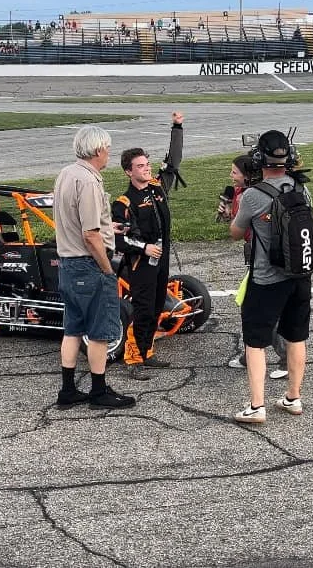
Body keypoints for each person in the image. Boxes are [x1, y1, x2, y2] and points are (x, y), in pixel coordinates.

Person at [229, 130, 313, 423]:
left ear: (258, 159)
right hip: (300, 274)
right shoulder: (301, 188)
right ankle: (293, 397)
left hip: (266, 279)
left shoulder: (253, 195)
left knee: (255, 342)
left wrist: (234, 210)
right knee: (296, 336)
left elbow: (236, 232)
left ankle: (256, 405)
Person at [52, 126, 136, 410]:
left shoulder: (65, 174)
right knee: (100, 330)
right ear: (99, 150)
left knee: (72, 328)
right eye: (108, 149)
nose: (109, 153)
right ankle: (99, 390)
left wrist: (105, 227)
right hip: (88, 265)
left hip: (67, 262)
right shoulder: (88, 181)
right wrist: (107, 268)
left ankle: (68, 389)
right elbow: (90, 234)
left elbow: (77, 221)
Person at [112, 112, 184, 380]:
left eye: (147, 164)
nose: (146, 168)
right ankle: (132, 358)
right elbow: (118, 238)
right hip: (142, 262)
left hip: (161, 258)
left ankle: (147, 352)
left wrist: (177, 127)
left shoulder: (158, 187)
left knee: (156, 308)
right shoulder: (124, 202)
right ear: (128, 171)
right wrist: (143, 248)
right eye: (140, 166)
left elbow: (174, 161)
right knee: (142, 310)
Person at [219, 154, 289, 380]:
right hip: (258, 256)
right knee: (250, 306)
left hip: (262, 259)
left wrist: (234, 215)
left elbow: (236, 232)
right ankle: (254, 351)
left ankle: (282, 356)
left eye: (235, 172)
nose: (231, 176)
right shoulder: (243, 193)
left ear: (248, 175)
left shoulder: (252, 196)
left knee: (257, 309)